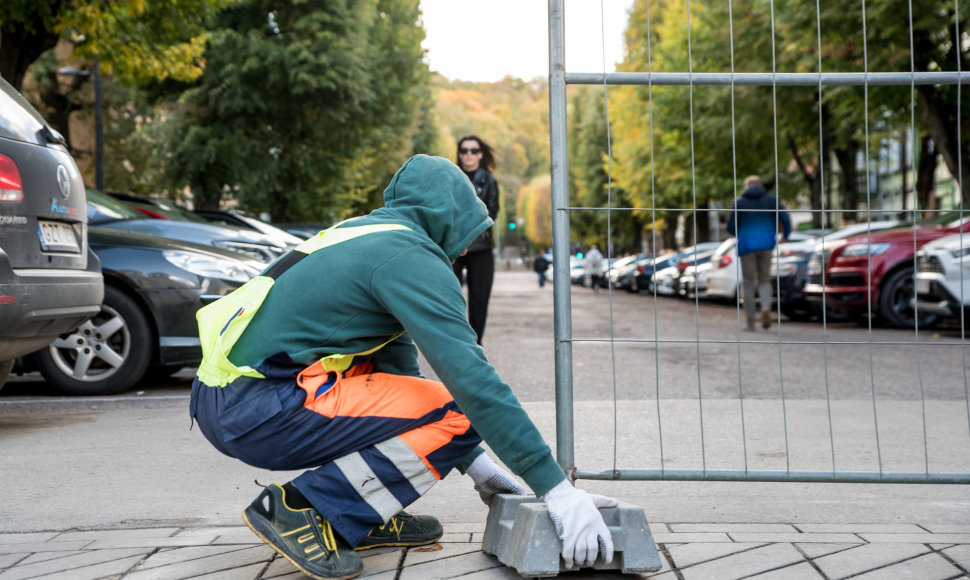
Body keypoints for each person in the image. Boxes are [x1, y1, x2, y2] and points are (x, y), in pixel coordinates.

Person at [189, 155, 616, 580]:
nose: (468, 246)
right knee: (460, 406)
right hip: (263, 406)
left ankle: (352, 516)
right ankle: (306, 508)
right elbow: (471, 380)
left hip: (228, 397)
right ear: (445, 214)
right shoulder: (410, 256)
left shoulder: (363, 233)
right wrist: (557, 489)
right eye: (468, 226)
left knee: (432, 405)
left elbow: (398, 375)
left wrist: (479, 467)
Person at [726, 175, 791, 331]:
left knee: (748, 283)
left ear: (746, 186)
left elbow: (730, 226)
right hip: (767, 244)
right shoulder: (771, 200)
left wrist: (741, 233)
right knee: (764, 279)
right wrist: (785, 236)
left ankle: (750, 322)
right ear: (761, 185)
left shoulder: (739, 202)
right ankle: (766, 306)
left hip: (747, 245)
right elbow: (786, 219)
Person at [452, 135, 500, 345]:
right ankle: (454, 342)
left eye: (473, 150)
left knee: (480, 300)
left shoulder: (489, 180)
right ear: (459, 154)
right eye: (464, 151)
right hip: (453, 246)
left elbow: (492, 213)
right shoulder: (451, 177)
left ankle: (475, 345)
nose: (468, 155)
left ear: (480, 154)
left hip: (480, 248)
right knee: (450, 298)